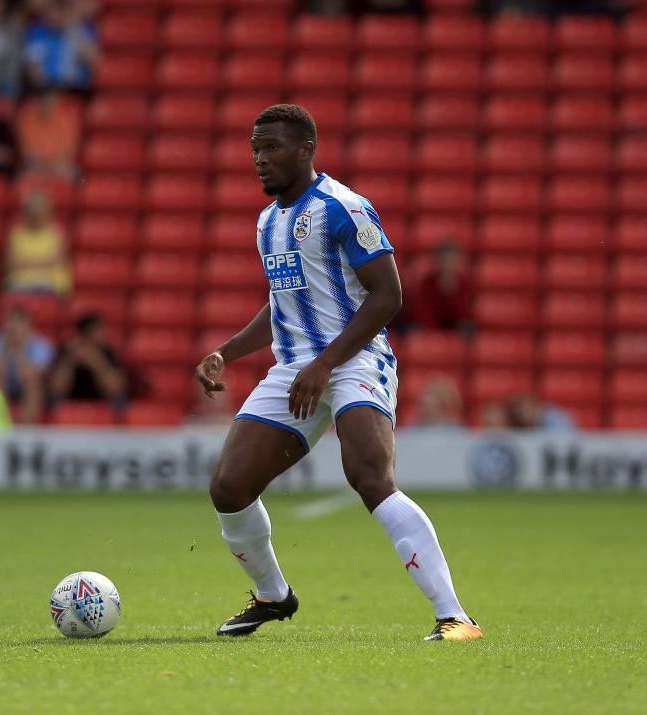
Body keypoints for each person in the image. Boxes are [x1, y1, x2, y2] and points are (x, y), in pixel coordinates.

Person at [194, 105, 482, 642]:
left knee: (369, 476)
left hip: (355, 360)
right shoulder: (267, 222)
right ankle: (272, 596)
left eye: (272, 148)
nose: (260, 160)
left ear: (306, 150)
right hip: (296, 367)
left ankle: (456, 617)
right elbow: (284, 305)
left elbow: (388, 295)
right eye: (255, 149)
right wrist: (226, 353)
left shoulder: (343, 208)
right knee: (228, 487)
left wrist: (325, 363)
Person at [0, 306, 54, 423]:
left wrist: (21, 349)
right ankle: (4, 425)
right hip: (3, 381)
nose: (14, 327)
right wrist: (6, 347)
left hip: (26, 383)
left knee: (34, 386)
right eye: (10, 321)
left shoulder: (42, 345)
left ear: (29, 326)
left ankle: (24, 429)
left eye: (19, 322)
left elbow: (31, 375)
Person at [49, 313, 129, 404]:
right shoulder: (67, 351)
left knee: (119, 401)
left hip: (102, 402)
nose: (104, 334)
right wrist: (69, 361)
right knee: (53, 401)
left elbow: (115, 389)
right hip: (70, 402)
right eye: (98, 330)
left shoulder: (107, 353)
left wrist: (97, 364)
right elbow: (56, 389)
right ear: (85, 333)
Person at [23, 0, 98, 95]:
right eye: (51, 11)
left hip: (76, 90)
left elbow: (92, 60)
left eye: (60, 10)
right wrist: (47, 91)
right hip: (46, 89)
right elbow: (33, 69)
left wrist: (74, 31)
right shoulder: (36, 32)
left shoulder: (83, 28)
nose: (55, 15)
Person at [402, 239, 474, 337]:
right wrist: (435, 332)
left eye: (451, 260)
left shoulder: (462, 284)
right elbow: (422, 312)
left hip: (455, 328)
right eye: (444, 260)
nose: (447, 264)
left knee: (468, 330)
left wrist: (451, 293)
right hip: (431, 326)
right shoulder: (427, 282)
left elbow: (464, 315)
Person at [4, 190, 71, 295]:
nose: (36, 213)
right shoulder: (16, 235)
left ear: (47, 211)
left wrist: (25, 262)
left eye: (40, 209)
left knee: (41, 290)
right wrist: (42, 261)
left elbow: (57, 260)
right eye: (33, 210)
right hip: (19, 284)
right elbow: (10, 263)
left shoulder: (57, 234)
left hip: (50, 284)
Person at [15, 89, 80, 179]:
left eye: (50, 101)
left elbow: (69, 149)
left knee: (78, 177)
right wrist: (42, 164)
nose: (47, 104)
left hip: (60, 163)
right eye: (43, 101)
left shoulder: (67, 121)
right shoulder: (27, 120)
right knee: (20, 176)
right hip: (35, 164)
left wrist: (53, 164)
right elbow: (27, 150)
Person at [506, 393, 575, 432]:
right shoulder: (518, 426)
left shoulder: (553, 417)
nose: (522, 415)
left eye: (526, 409)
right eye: (518, 412)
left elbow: (565, 438)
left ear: (537, 407)